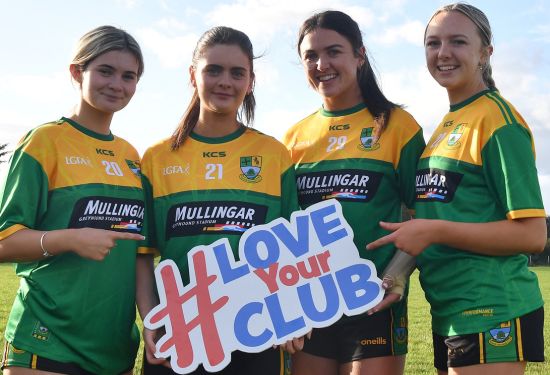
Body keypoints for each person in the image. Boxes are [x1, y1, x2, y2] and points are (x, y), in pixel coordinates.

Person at [367, 3, 546, 375]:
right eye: (433, 43)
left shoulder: (499, 121)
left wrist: (433, 231)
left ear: (485, 53)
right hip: (449, 310)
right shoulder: (447, 126)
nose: (443, 53)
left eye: (458, 42)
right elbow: (434, 219)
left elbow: (532, 234)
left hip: (492, 307)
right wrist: (398, 272)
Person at [136, 26, 300, 375]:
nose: (225, 81)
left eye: (236, 72)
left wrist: (294, 311)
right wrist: (152, 320)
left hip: (257, 332)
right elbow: (142, 256)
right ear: (192, 75)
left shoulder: (273, 154)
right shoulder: (156, 158)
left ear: (250, 81)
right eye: (213, 70)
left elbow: (293, 249)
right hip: (178, 333)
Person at [282, 10, 425, 375]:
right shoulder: (293, 139)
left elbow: (423, 214)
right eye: (310, 56)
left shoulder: (399, 127)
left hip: (374, 302)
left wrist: (398, 273)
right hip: (310, 306)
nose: (321, 64)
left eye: (333, 52)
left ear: (359, 55)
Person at [0, 26, 146, 374]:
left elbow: (139, 251)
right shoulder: (43, 142)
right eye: (105, 71)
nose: (117, 84)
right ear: (76, 72)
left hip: (114, 348)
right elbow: (3, 240)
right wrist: (70, 239)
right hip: (46, 339)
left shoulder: (131, 156)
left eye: (129, 76)